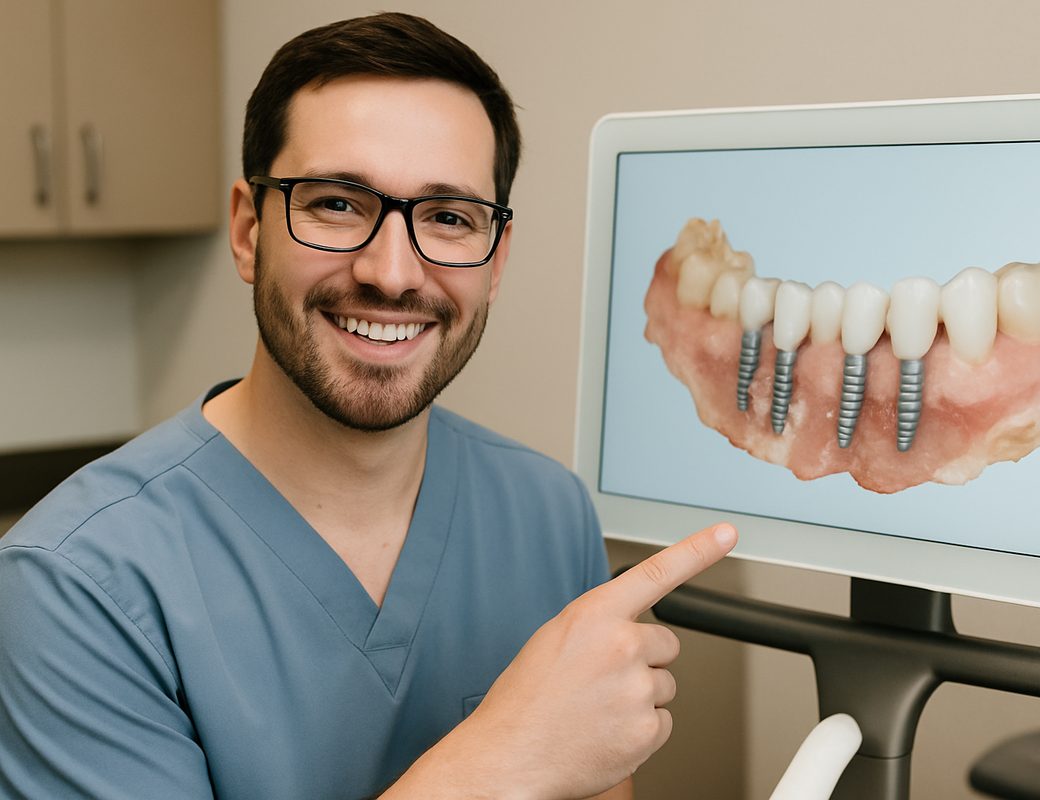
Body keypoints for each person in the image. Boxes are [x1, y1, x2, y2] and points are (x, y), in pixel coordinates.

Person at [0, 12, 736, 800]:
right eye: (337, 204)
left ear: (496, 262)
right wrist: (501, 758)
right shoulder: (75, 587)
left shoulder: (546, 515)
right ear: (249, 231)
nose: (392, 272)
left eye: (449, 218)